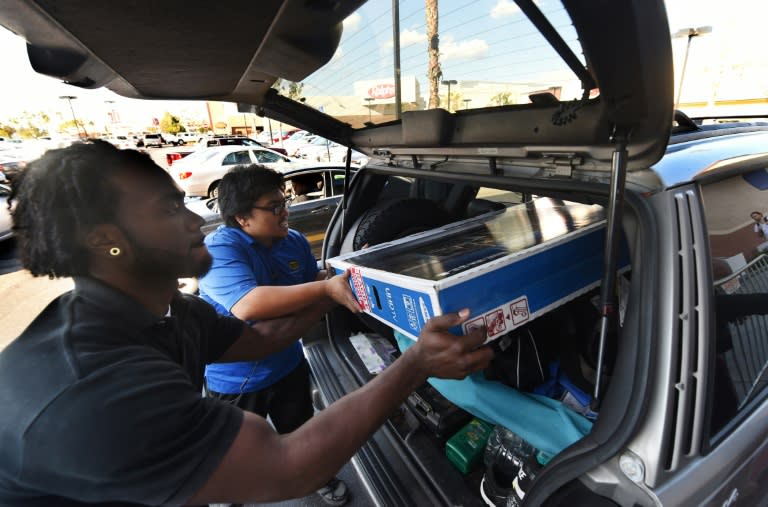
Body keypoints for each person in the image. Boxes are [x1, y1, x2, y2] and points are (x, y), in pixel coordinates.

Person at [0, 140, 492, 506]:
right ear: (108, 241)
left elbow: (261, 340)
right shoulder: (92, 385)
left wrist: (333, 297)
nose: (196, 222)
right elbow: (286, 466)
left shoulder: (172, 311)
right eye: (169, 209)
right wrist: (415, 363)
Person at [197, 165, 358, 505]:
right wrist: (326, 290)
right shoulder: (220, 249)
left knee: (300, 432)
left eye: (283, 202)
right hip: (236, 379)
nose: (285, 211)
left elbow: (311, 283)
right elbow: (249, 305)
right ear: (242, 218)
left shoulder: (294, 241)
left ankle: (318, 479)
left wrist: (347, 270)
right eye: (274, 206)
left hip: (287, 362)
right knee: (235, 455)